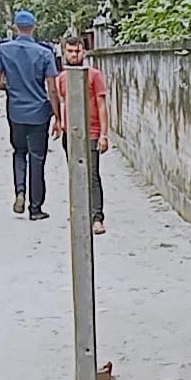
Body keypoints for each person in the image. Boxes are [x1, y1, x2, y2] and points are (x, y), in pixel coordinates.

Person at [0, 10, 63, 220]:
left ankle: (20, 190)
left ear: (15, 27)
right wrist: (57, 117)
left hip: (15, 110)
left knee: (19, 152)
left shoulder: (2, 50)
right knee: (37, 158)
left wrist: (11, 87)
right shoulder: (44, 53)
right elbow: (52, 88)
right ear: (33, 27)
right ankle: (35, 208)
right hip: (39, 111)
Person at [56, 36, 108, 235]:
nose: (73, 55)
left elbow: (102, 105)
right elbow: (63, 102)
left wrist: (104, 134)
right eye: (69, 51)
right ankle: (79, 212)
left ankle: (97, 217)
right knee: (75, 173)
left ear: (83, 52)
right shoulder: (62, 78)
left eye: (77, 51)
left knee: (92, 175)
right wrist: (60, 122)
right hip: (70, 132)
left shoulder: (94, 76)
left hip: (92, 131)